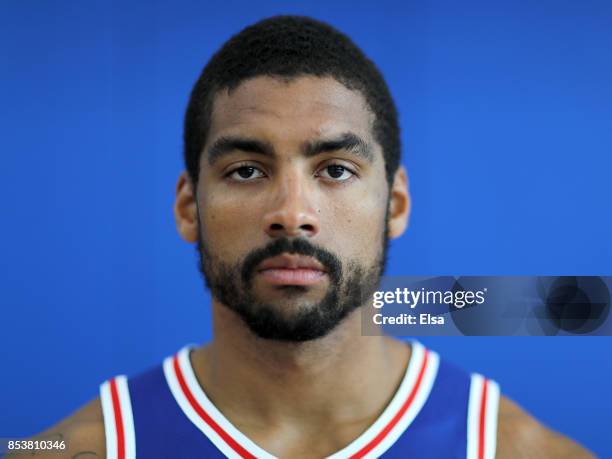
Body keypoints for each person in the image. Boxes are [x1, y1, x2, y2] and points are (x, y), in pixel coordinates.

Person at [6, 15, 594, 459]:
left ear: (395, 204)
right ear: (189, 207)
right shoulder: (84, 447)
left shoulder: (515, 449)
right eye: (247, 170)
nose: (292, 214)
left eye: (335, 169)